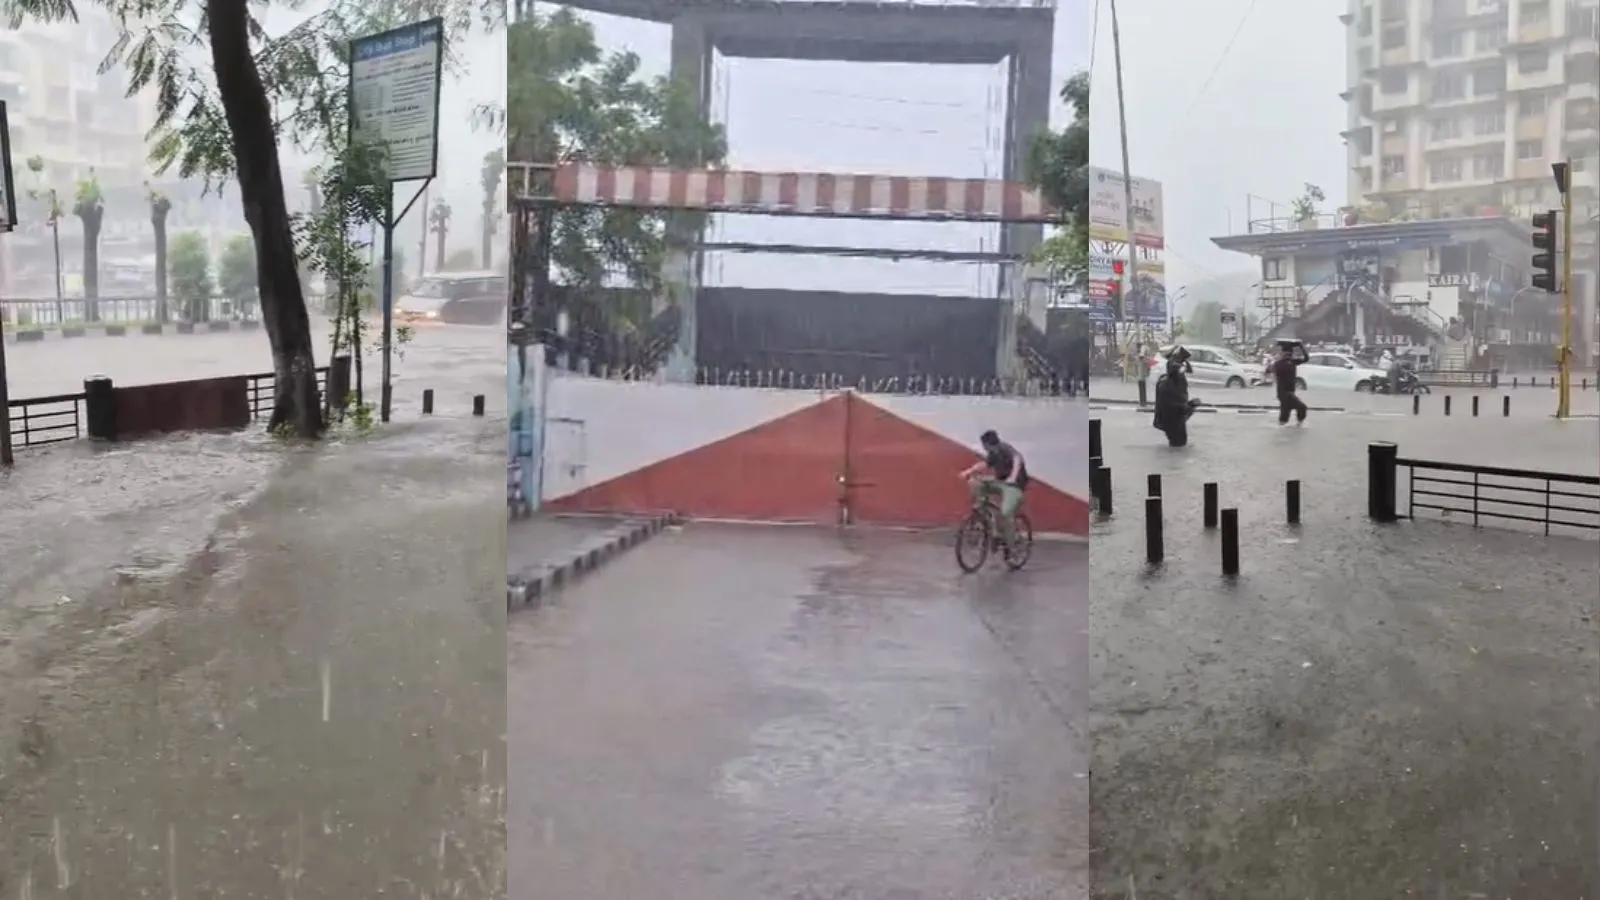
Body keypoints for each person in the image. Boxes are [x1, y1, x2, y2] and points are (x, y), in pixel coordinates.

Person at [958, 430, 1029, 549]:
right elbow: (985, 464)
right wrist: (968, 472)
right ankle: (981, 508)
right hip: (1000, 481)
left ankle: (1011, 544)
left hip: (1014, 485)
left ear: (987, 444)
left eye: (984, 445)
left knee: (1005, 513)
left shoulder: (1004, 447)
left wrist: (1013, 477)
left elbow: (1017, 459)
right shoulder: (992, 453)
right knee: (976, 482)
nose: (984, 448)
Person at [1152, 347, 1195, 446]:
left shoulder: (1177, 370)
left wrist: (1185, 361)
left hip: (1178, 407)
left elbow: (1189, 370)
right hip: (1173, 412)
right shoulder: (1172, 366)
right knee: (1177, 438)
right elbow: (1179, 370)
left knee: (1180, 438)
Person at [1273, 343, 1308, 425]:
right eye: (1287, 354)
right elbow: (1277, 371)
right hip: (1284, 394)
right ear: (1283, 354)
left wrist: (1301, 346)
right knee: (1302, 407)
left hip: (1289, 393)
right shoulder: (1278, 364)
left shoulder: (1292, 362)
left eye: (1290, 354)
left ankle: (1295, 426)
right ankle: (1299, 425)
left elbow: (1306, 358)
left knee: (1284, 418)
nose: (1289, 355)